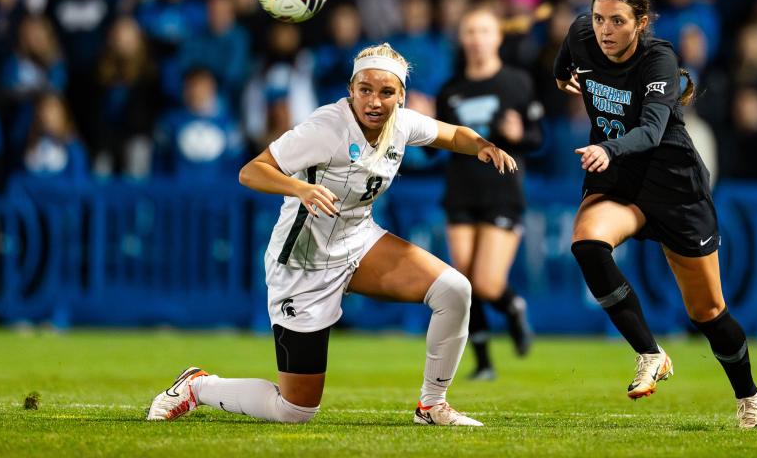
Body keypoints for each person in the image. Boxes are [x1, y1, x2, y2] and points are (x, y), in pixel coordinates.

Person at [147, 43, 517, 427]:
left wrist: (483, 147)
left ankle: (432, 406)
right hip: (303, 262)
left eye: (386, 92)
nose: (374, 101)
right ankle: (199, 387)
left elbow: (453, 134)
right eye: (365, 90)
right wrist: (300, 188)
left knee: (454, 290)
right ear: (350, 89)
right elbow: (251, 172)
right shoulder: (327, 128)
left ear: (401, 96)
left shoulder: (402, 123)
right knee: (296, 410)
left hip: (359, 242)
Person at [553, 0, 757, 429]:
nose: (604, 30)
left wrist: (607, 148)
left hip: (673, 186)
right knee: (587, 243)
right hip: (619, 180)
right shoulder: (582, 35)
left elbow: (652, 132)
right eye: (598, 19)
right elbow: (566, 55)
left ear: (641, 22)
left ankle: (748, 396)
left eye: (617, 21)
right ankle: (650, 353)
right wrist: (562, 75)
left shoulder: (659, 58)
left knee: (707, 312)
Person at [436, 8, 543, 380]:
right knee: (462, 282)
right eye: (470, 31)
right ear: (462, 39)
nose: (477, 39)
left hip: (502, 191)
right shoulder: (450, 91)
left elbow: (536, 139)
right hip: (461, 191)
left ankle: (513, 306)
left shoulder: (516, 82)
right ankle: (483, 362)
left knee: (485, 282)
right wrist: (414, 120)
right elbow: (436, 148)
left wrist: (517, 136)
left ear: (497, 36)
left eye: (484, 30)